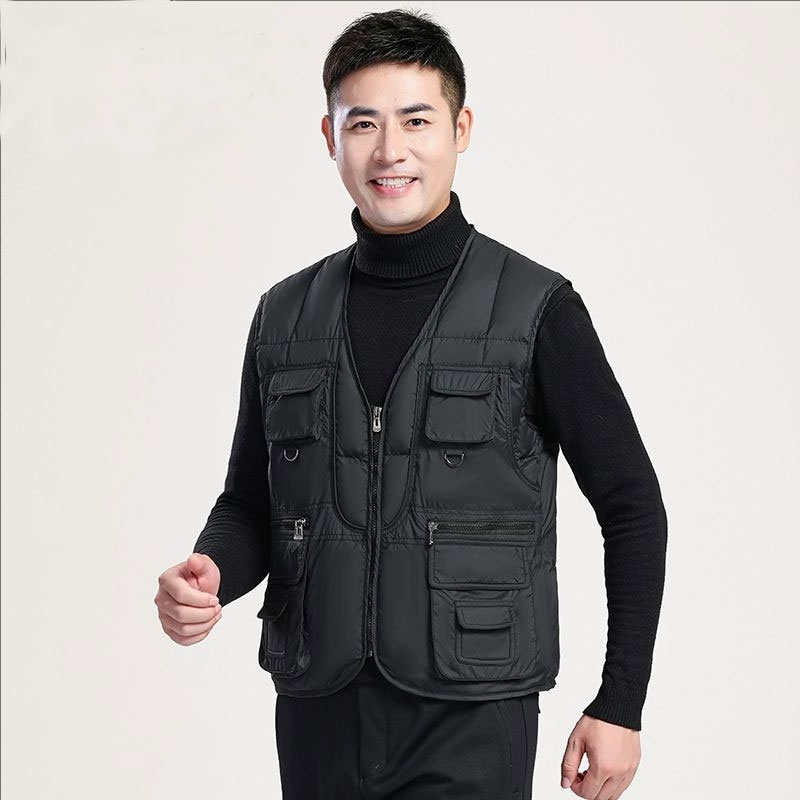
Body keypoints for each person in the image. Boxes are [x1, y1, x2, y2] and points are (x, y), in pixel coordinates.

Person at [154, 9, 667, 799]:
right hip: (319, 714)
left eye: (416, 120)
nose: (389, 150)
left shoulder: (535, 309)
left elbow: (632, 505)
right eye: (362, 123)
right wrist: (210, 573)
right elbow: (251, 504)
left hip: (472, 718)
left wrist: (620, 703)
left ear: (461, 130)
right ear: (329, 139)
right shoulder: (284, 316)